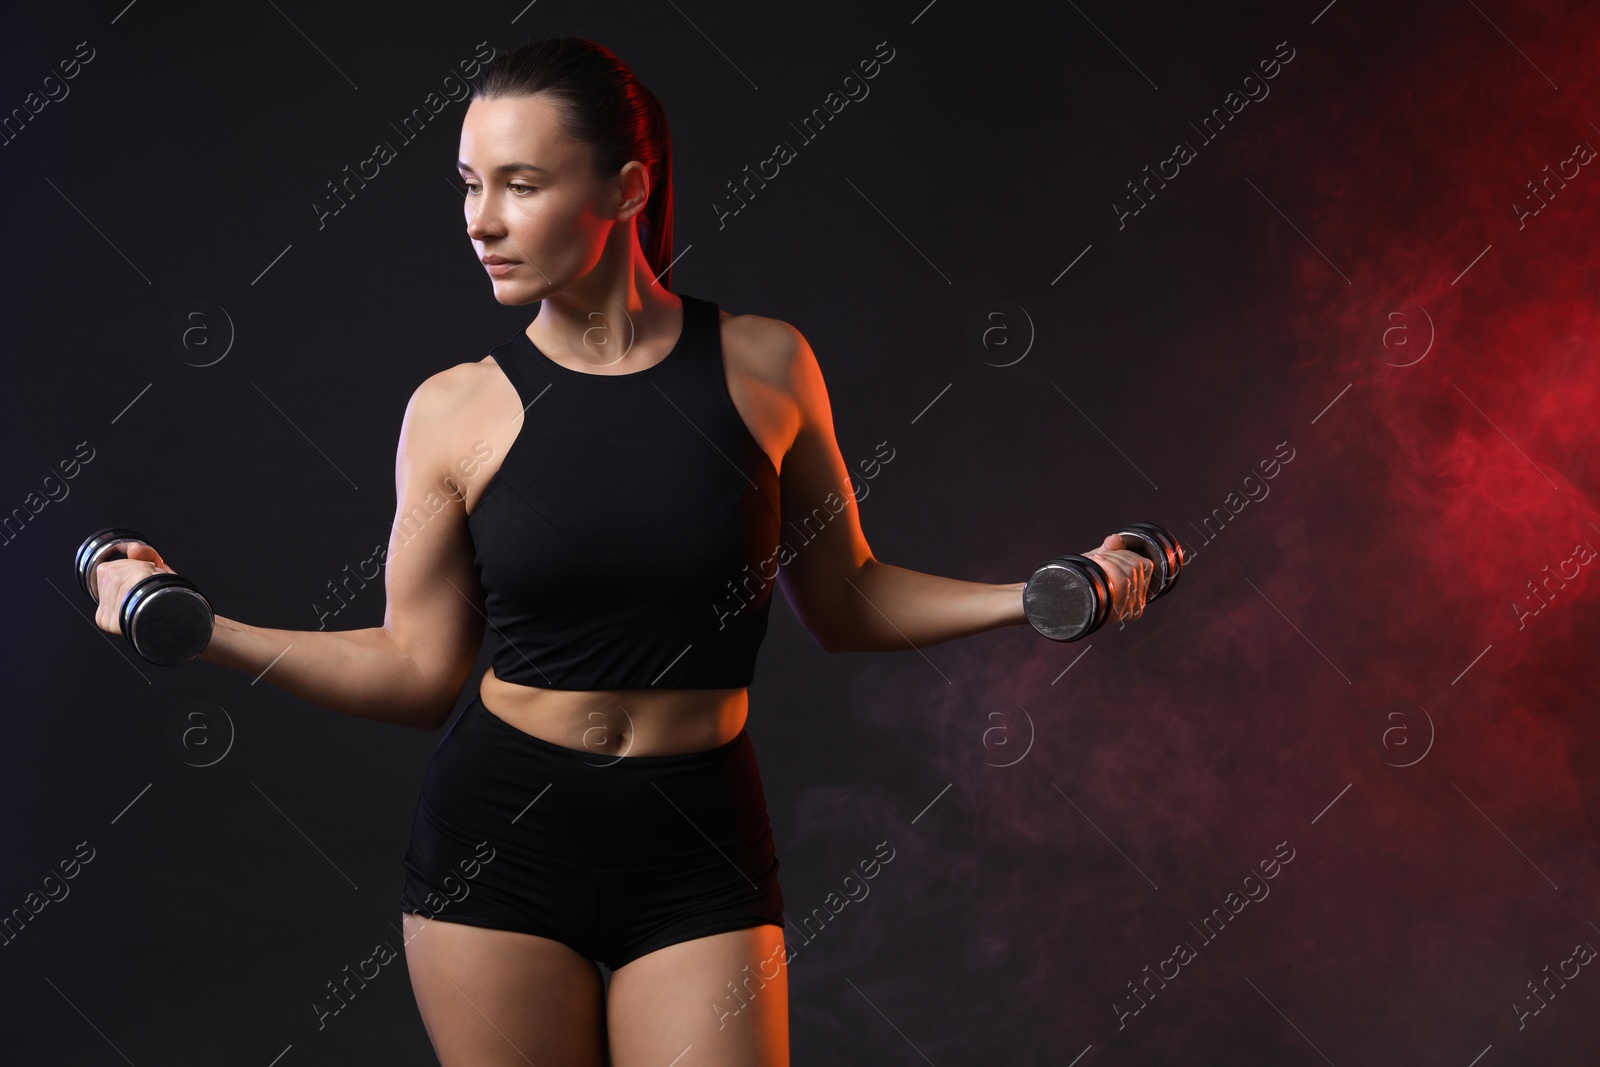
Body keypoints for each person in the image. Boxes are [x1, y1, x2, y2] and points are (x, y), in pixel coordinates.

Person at [89, 35, 1154, 1067]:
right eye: (468, 185)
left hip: (698, 843)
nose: (481, 221)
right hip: (498, 845)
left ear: (628, 191)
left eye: (519, 184)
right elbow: (418, 671)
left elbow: (850, 597)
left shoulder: (765, 365)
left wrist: (1048, 594)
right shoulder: (455, 410)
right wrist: (203, 629)